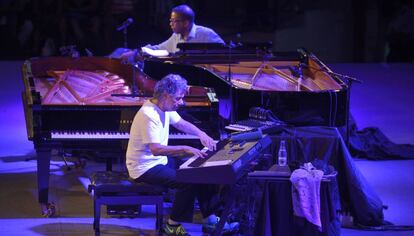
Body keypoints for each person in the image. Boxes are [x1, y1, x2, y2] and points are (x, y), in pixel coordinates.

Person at [126, 74, 239, 235]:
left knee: (202, 169)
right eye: (178, 99)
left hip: (159, 161)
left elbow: (181, 123)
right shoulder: (148, 115)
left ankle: (210, 220)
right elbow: (156, 149)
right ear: (165, 95)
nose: (181, 102)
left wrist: (201, 134)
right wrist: (185, 148)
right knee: (187, 181)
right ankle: (171, 226)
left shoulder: (163, 106)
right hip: (143, 168)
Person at [118, 4, 224, 62]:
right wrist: (136, 52)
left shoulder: (206, 34)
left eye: (174, 21)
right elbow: (158, 48)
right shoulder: (176, 37)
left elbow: (227, 53)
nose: (170, 24)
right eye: (170, 21)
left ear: (186, 23)